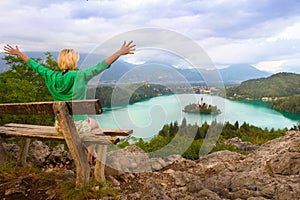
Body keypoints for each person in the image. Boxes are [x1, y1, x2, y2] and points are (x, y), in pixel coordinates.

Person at [3, 41, 136, 162]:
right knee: (95, 124)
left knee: (88, 125)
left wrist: (19, 53)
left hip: (61, 127)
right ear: (74, 61)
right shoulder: (80, 75)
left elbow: (35, 66)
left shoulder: (50, 75)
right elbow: (101, 65)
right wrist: (119, 52)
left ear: (60, 61)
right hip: (78, 126)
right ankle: (92, 151)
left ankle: (91, 151)